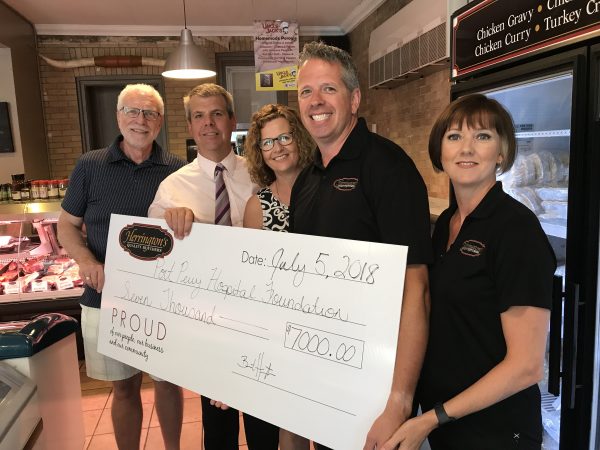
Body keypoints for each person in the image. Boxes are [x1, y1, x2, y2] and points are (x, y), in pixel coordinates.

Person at [380, 94, 556, 450]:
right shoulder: (447, 223)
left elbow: (526, 365)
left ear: (501, 153)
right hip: (448, 426)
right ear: (441, 151)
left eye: (483, 136)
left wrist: (432, 418)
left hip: (496, 432)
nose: (467, 148)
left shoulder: (516, 230)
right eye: (455, 136)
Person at [289, 41, 433, 450]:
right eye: (306, 91)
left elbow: (417, 288)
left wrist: (399, 401)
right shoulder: (307, 179)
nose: (316, 101)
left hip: (377, 382)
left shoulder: (388, 168)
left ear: (354, 99)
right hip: (324, 370)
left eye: (328, 89)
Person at [147, 83, 280, 450]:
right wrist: (168, 223)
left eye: (217, 114)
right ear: (190, 126)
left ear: (232, 121)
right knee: (218, 426)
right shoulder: (172, 188)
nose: (208, 123)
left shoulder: (262, 174)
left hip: (260, 317)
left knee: (264, 423)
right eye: (199, 116)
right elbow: (154, 257)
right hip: (208, 321)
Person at [57, 84, 186, 450]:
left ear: (160, 121)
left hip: (162, 302)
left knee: (168, 382)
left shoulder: (178, 169)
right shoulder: (89, 165)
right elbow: (66, 225)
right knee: (124, 387)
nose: (140, 120)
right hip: (106, 297)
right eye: (132, 111)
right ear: (118, 116)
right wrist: (86, 261)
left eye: (149, 113)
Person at [242, 103, 314, 449]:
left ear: (299, 138)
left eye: (285, 137)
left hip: (328, 322)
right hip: (280, 329)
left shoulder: (327, 188)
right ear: (259, 151)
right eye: (267, 142)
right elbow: (252, 281)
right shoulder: (258, 206)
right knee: (291, 421)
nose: (278, 148)